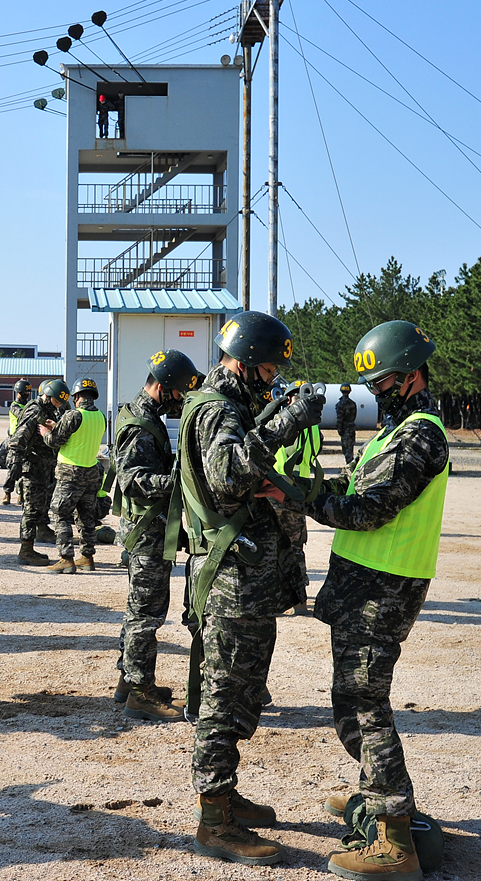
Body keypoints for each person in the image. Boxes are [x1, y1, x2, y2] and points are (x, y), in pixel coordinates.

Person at [286, 320, 448, 881]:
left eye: (381, 382)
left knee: (365, 706)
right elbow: (355, 492)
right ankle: (378, 796)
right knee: (350, 701)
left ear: (409, 377)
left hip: (386, 588)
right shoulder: (394, 432)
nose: (374, 392)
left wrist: (299, 497)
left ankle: (394, 837)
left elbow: (368, 510)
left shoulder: (421, 436)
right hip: (364, 583)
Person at [173, 310, 322, 866]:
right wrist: (284, 423)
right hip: (233, 580)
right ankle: (215, 821)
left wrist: (275, 414)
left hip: (247, 579)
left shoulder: (234, 406)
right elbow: (229, 477)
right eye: (268, 369)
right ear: (247, 361)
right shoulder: (216, 410)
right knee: (224, 698)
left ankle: (226, 796)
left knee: (242, 693)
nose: (273, 379)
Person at [111, 350, 200, 722]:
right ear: (162, 388)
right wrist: (178, 480)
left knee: (139, 612)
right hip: (146, 533)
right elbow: (132, 480)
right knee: (146, 616)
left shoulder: (144, 416)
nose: (180, 400)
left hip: (147, 530)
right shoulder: (139, 425)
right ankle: (140, 694)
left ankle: (128, 681)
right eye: (178, 393)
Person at [42, 377, 107, 574]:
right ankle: (87, 558)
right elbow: (79, 435)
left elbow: (54, 441)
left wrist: (46, 432)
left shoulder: (73, 415)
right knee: (86, 516)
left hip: (70, 472)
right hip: (91, 472)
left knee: (60, 513)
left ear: (77, 396)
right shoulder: (100, 416)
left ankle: (66, 558)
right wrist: (59, 425)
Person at [271, 380, 323, 617]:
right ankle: (299, 598)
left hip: (278, 489)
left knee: (275, 547)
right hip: (300, 491)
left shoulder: (287, 424)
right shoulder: (314, 427)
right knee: (295, 547)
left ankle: (281, 598)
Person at [8, 380, 65, 565]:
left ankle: (30, 546)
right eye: (56, 402)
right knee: (31, 509)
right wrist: (15, 464)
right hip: (32, 467)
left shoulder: (47, 410)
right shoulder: (35, 410)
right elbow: (18, 438)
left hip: (42, 466)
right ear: (47, 396)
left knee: (39, 507)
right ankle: (25, 550)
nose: (58, 406)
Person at [3, 380, 32, 504]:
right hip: (15, 441)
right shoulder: (15, 405)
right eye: (25, 392)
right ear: (19, 393)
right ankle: (7, 493)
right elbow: (22, 416)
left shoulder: (30, 405)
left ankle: (21, 494)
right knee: (13, 468)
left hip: (27, 440)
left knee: (25, 469)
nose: (27, 394)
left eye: (28, 392)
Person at [335, 383, 358, 465]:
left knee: (346, 450)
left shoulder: (340, 404)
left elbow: (339, 418)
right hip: (351, 428)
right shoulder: (353, 403)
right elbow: (354, 416)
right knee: (350, 448)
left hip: (345, 429)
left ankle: (349, 467)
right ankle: (350, 465)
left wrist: (339, 429)